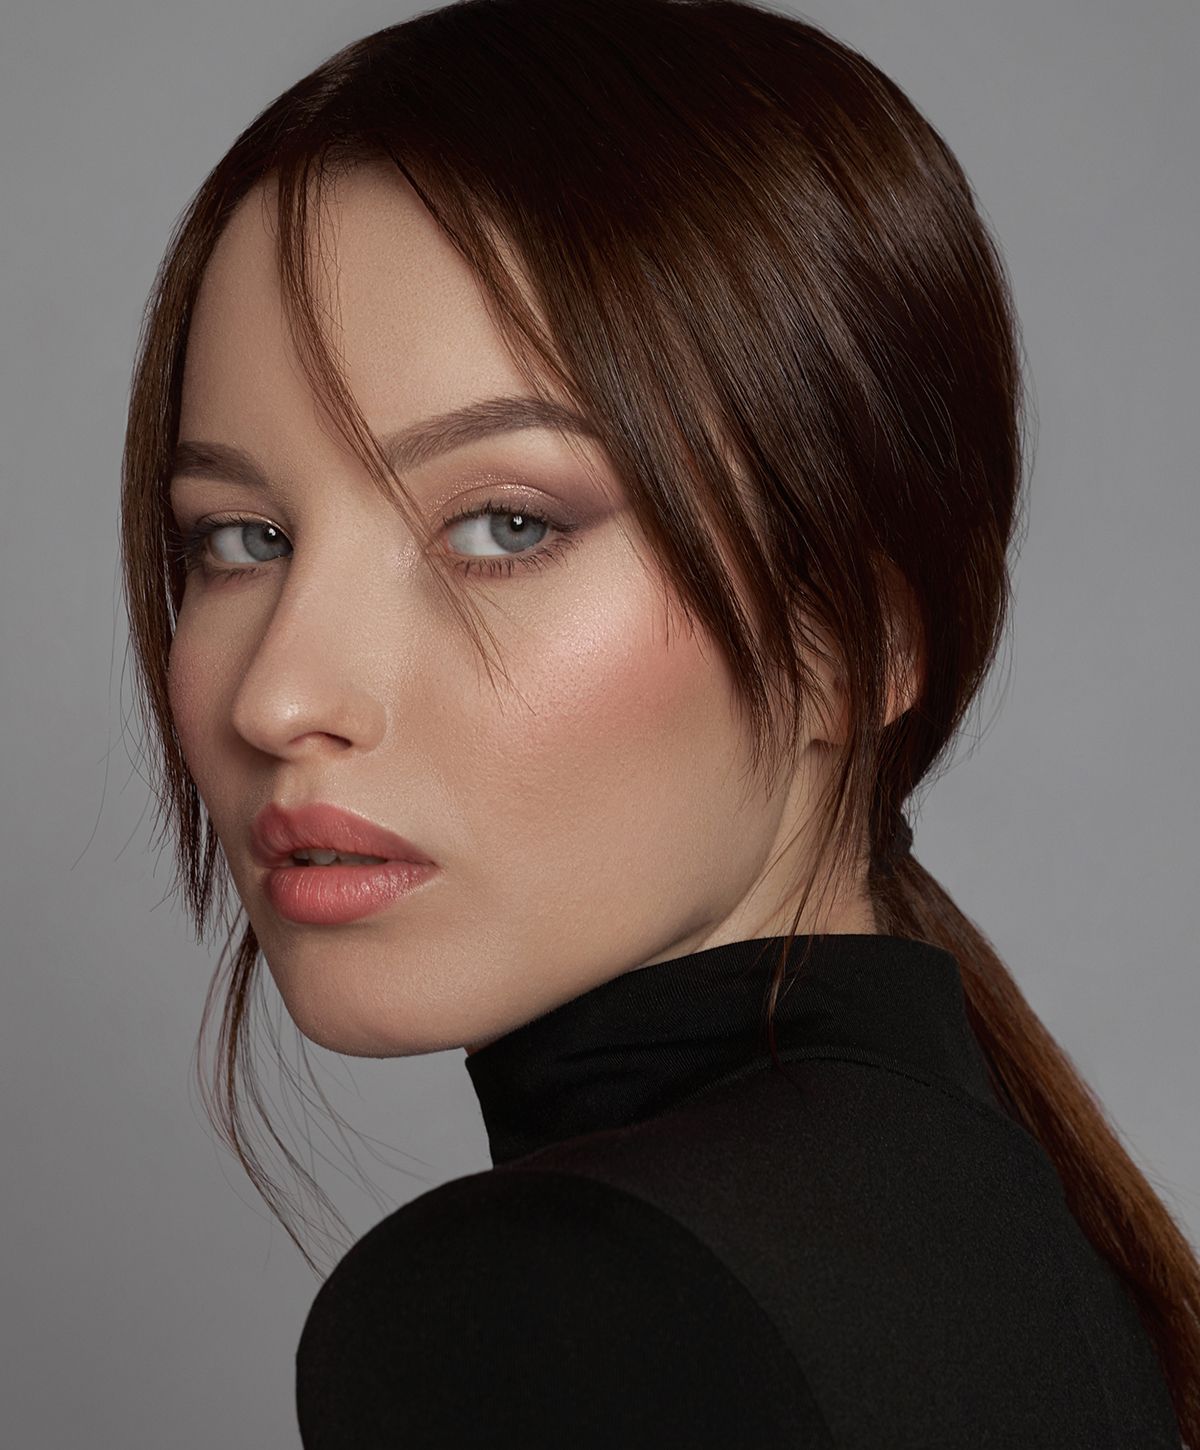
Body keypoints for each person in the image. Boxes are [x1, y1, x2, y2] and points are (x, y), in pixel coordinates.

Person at [118, 0, 1196, 1443]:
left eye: (505, 524)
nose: (279, 696)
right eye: (241, 538)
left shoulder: (559, 1304)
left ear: (851, 641)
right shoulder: (1033, 1245)